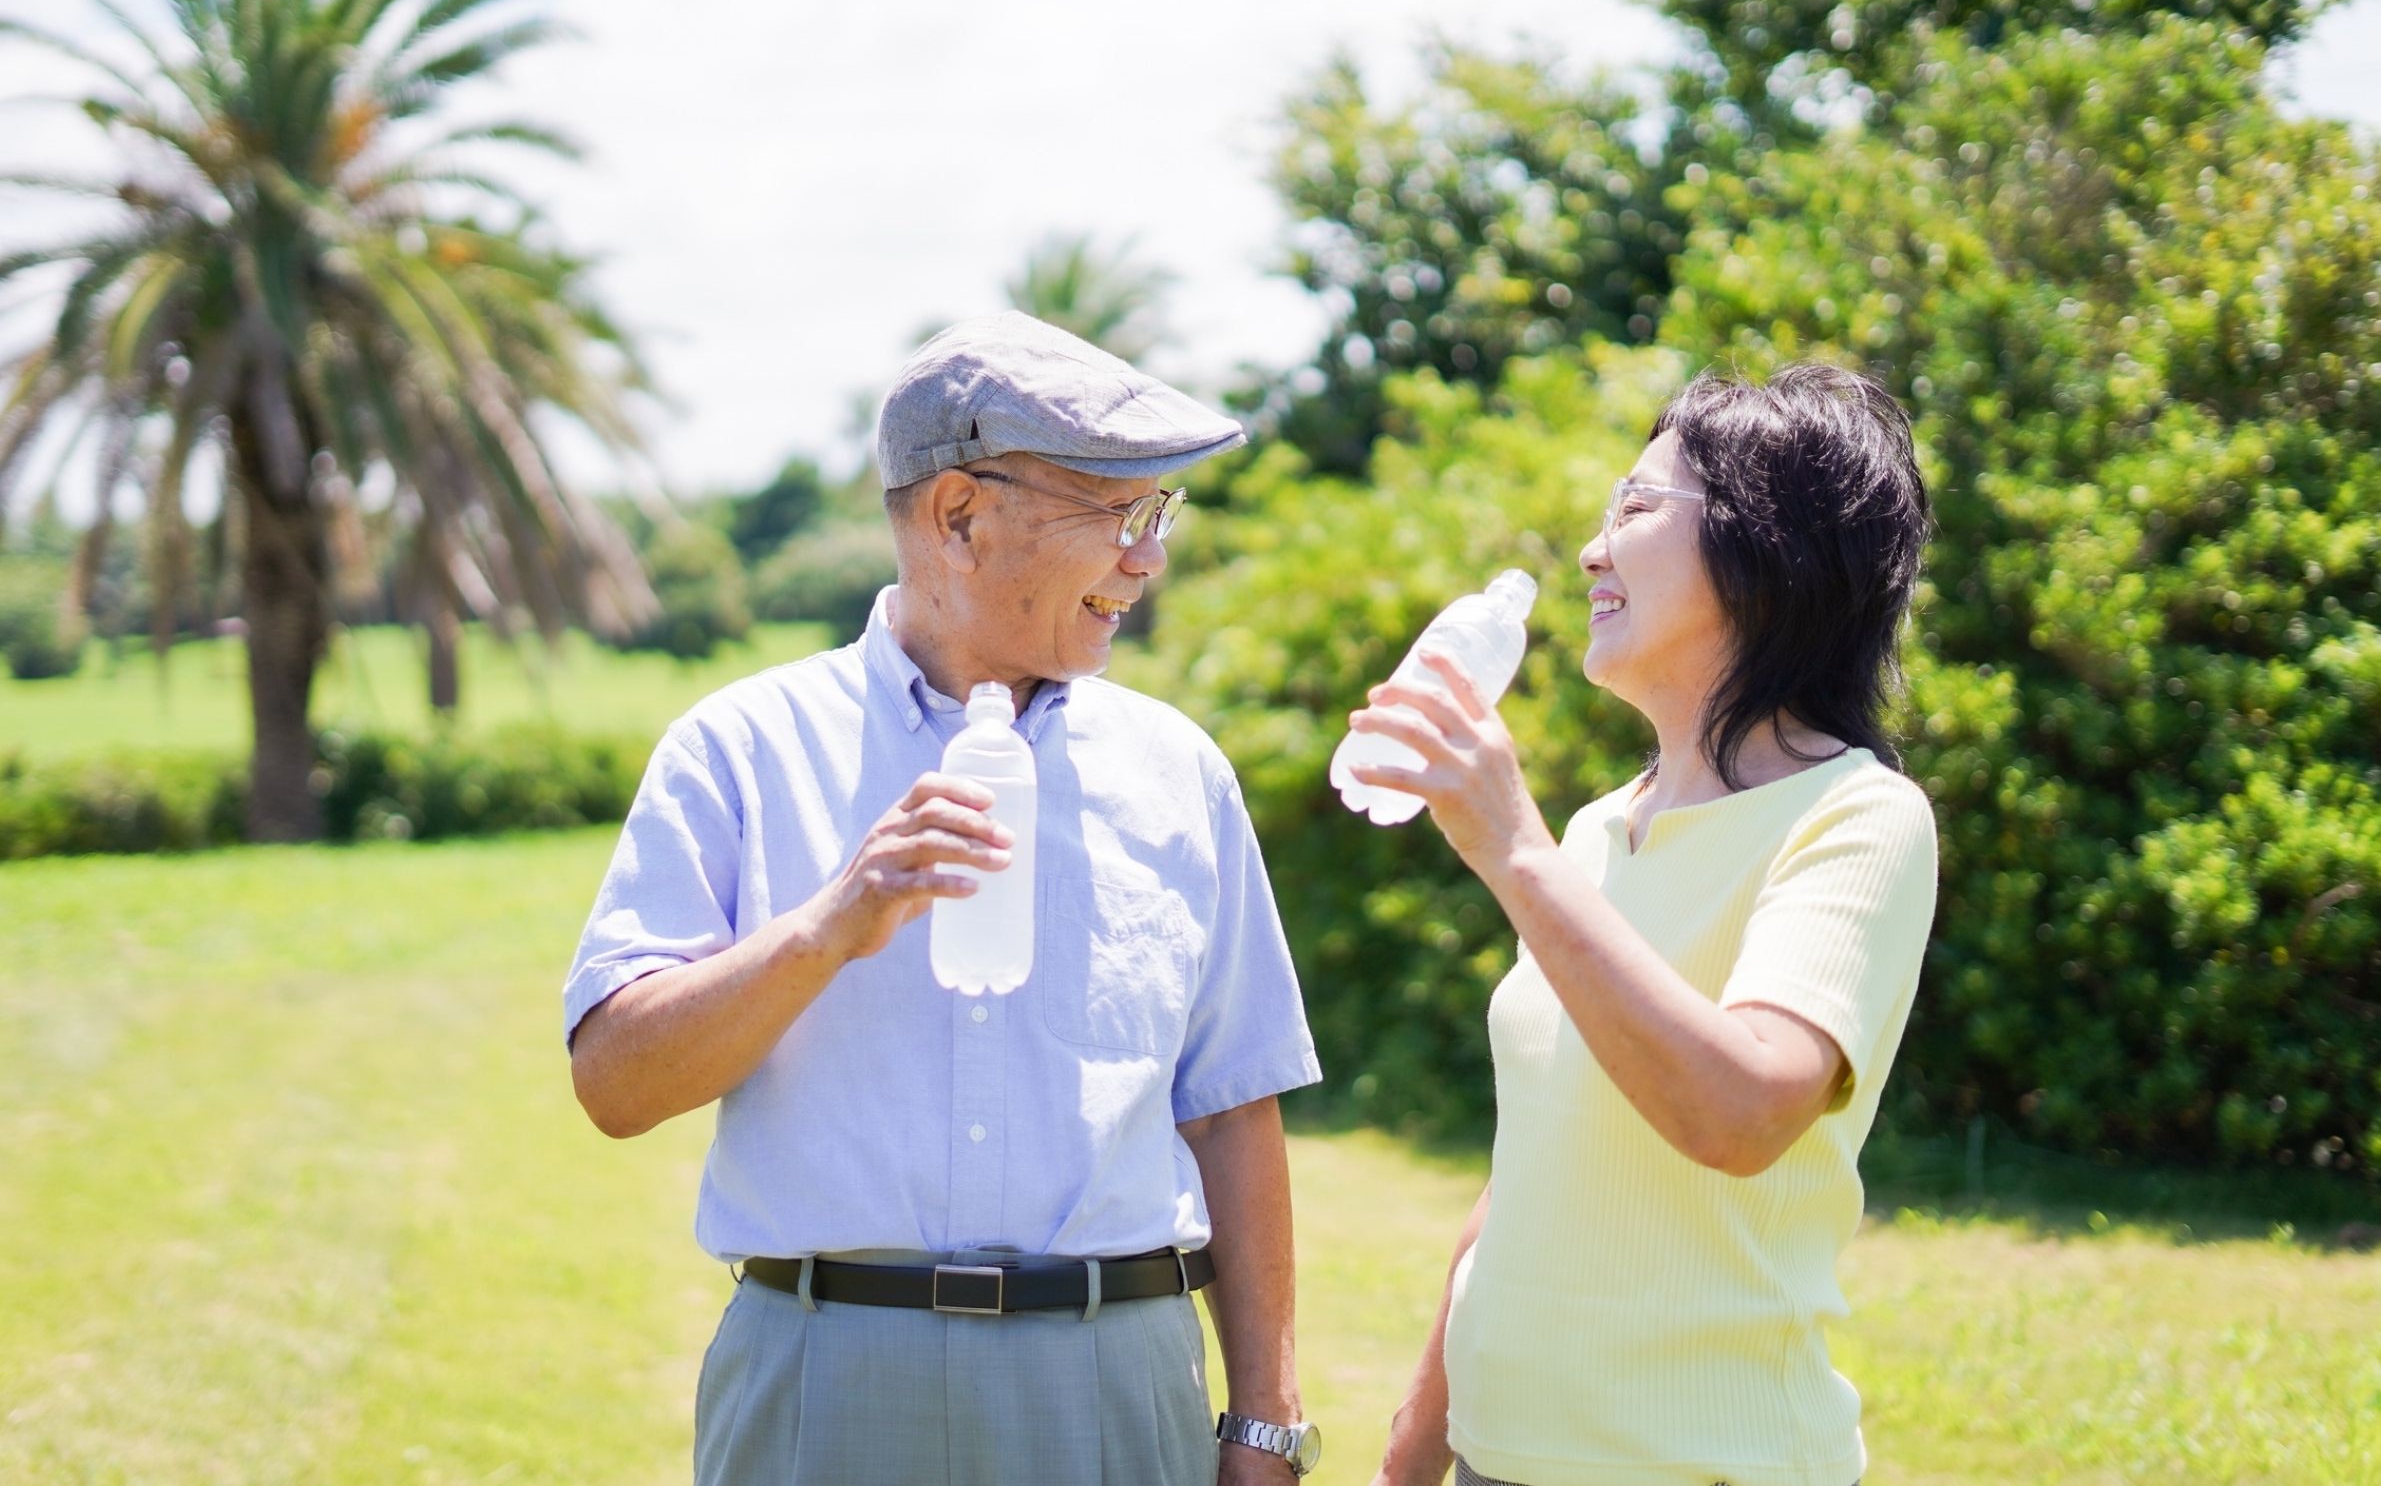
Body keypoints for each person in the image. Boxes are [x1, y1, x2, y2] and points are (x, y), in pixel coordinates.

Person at [564, 312, 1325, 1486]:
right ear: (958, 515)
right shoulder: (740, 747)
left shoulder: (1178, 772)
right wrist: (830, 926)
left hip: (1114, 1387)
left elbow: (1229, 1111)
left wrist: (1264, 1425)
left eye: (1159, 516)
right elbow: (614, 1085)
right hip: (825, 1383)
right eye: (1119, 516)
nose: (1148, 560)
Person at [1354, 364, 1937, 1486]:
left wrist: (1509, 849)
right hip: (1496, 1460)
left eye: (1634, 509)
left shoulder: (1856, 817)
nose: (1588, 551)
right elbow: (1528, 1171)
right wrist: (1410, 1454)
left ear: (1768, 554)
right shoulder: (1590, 835)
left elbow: (1739, 1113)